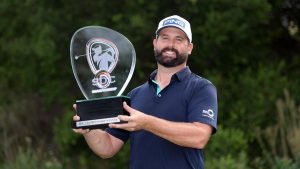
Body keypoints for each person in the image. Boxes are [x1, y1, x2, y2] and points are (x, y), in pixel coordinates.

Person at [73, 15, 218, 169]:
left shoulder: (201, 88)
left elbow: (199, 137)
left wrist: (146, 123)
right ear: (155, 43)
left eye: (179, 40)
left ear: (190, 48)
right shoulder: (135, 95)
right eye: (165, 38)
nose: (170, 44)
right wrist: (88, 128)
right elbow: (107, 148)